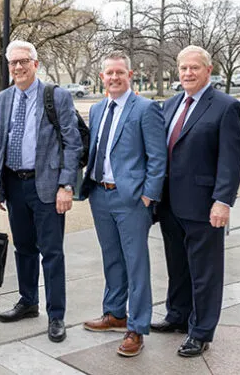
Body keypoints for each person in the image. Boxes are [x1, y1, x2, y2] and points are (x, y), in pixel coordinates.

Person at [152, 45, 240, 357]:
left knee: (205, 271)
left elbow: (231, 160)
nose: (188, 73)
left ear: (209, 70)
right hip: (169, 204)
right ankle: (177, 315)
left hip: (204, 205)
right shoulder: (170, 104)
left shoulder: (225, 106)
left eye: (194, 68)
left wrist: (223, 201)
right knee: (177, 266)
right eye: (183, 68)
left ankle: (201, 331)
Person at [0, 40, 83, 343]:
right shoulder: (1, 99)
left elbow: (73, 144)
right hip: (15, 185)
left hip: (47, 186)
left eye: (23, 62)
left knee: (52, 253)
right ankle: (28, 301)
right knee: (24, 249)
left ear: (35, 64)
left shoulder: (56, 97)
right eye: (13, 62)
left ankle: (56, 315)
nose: (18, 67)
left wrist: (66, 185)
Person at [80, 52, 166, 357]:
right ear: (101, 77)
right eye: (108, 73)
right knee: (111, 258)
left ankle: (137, 327)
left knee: (136, 263)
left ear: (129, 75)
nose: (114, 77)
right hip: (99, 195)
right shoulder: (97, 108)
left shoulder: (145, 109)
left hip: (131, 199)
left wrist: (147, 196)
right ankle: (115, 312)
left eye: (119, 72)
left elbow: (157, 158)